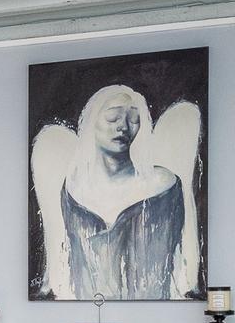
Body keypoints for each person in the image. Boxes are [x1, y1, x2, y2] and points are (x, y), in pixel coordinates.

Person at [58, 85, 185, 300]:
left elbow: (177, 266)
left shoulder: (163, 185)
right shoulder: (73, 189)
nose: (124, 127)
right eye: (113, 117)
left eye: (134, 119)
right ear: (91, 123)